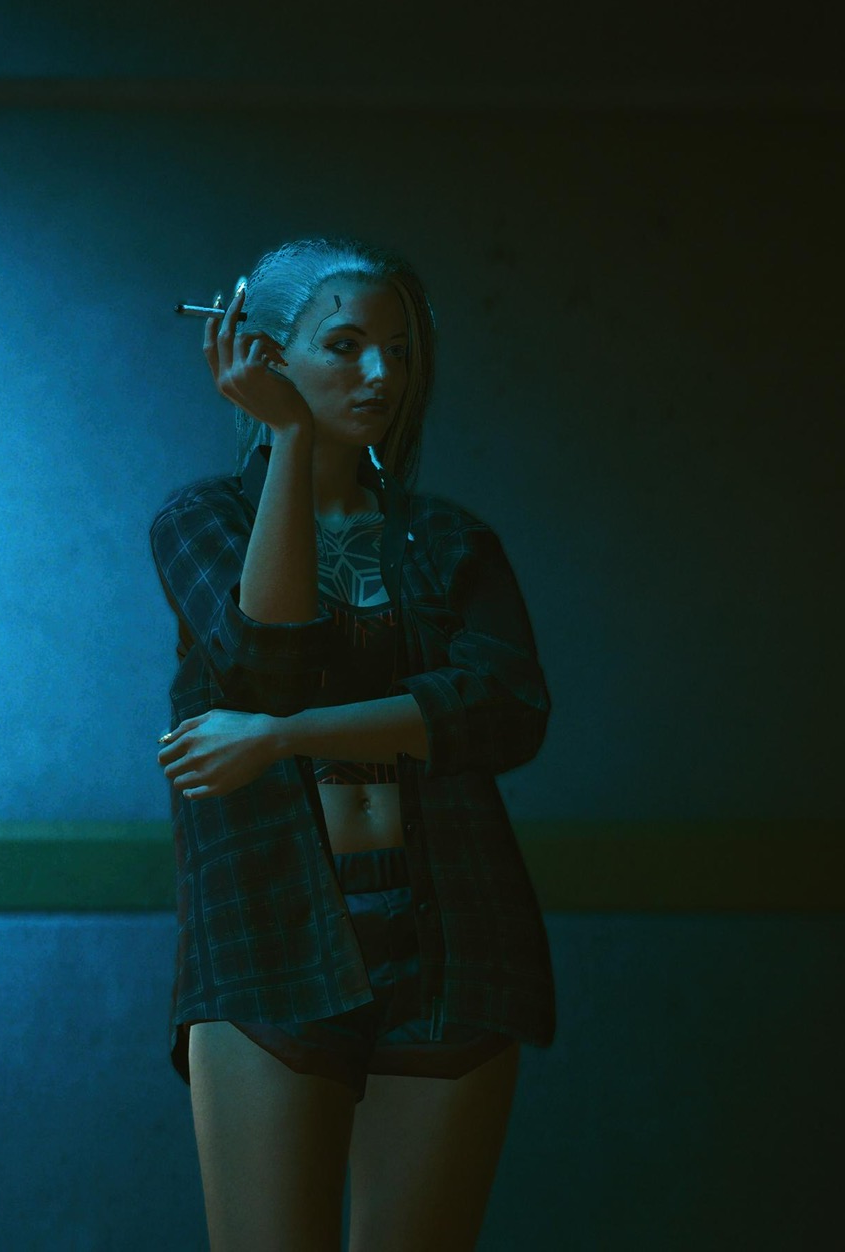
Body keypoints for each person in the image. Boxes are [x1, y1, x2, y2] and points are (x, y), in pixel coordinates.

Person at [149, 238, 555, 1250]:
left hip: (452, 930)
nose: (380, 375)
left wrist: (281, 739)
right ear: (264, 353)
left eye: (399, 351)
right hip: (270, 927)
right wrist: (287, 439)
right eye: (343, 345)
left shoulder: (448, 540)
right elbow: (267, 660)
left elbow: (502, 709)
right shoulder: (201, 521)